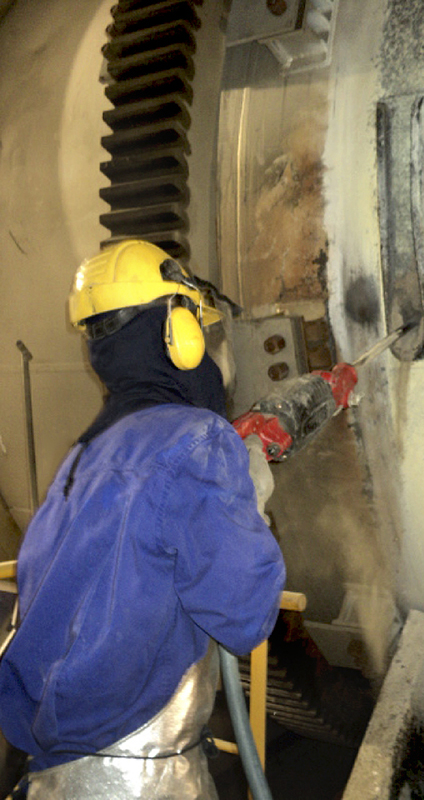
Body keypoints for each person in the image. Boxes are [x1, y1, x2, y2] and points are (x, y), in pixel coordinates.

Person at [0, 240, 286, 799]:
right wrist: (249, 499)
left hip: (52, 775)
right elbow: (246, 617)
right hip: (141, 777)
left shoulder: (84, 455)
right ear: (179, 332)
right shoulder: (197, 442)